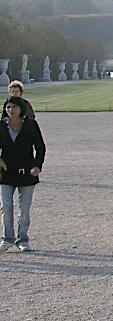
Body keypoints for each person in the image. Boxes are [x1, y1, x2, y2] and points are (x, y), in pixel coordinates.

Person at [1, 97, 45, 252]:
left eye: (14, 107)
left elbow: (40, 147)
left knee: (24, 208)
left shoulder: (31, 125)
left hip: (26, 172)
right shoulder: (1, 126)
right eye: (8, 107)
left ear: (21, 109)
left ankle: (22, 239)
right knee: (6, 206)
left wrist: (37, 166)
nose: (10, 110)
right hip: (6, 173)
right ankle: (7, 239)